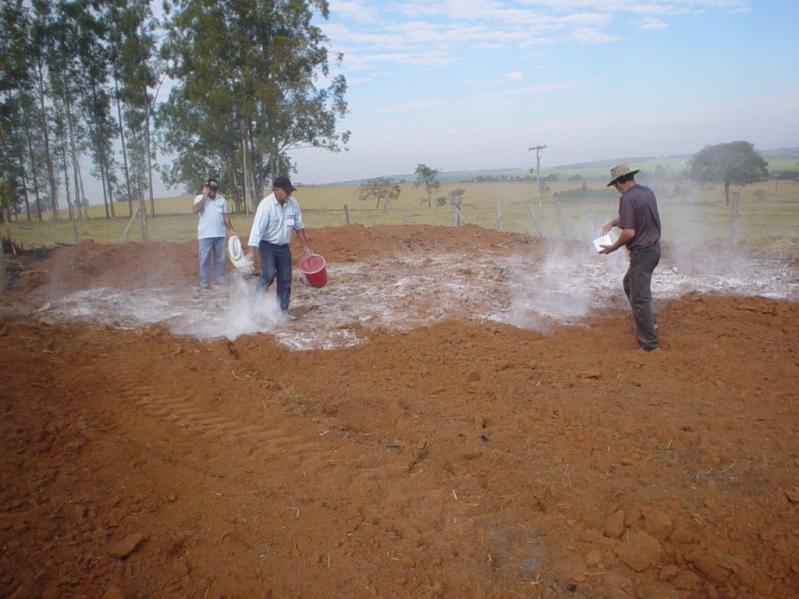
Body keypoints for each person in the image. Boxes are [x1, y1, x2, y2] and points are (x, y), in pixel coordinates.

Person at [599, 164, 662, 351]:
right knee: (630, 284)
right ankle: (648, 321)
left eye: (615, 186)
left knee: (639, 298)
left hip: (642, 253)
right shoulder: (646, 192)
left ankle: (649, 343)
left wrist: (612, 247)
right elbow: (636, 216)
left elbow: (629, 232)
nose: (616, 189)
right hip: (654, 249)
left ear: (619, 182)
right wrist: (613, 221)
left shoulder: (626, 198)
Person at [247, 175, 313, 319]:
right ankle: (254, 307)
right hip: (267, 246)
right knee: (269, 275)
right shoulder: (266, 205)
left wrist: (306, 248)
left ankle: (282, 311)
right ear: (276, 190)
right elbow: (256, 229)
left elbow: (299, 227)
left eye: (289, 191)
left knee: (285, 278)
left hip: (283, 247)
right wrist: (251, 252)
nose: (288, 194)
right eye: (286, 191)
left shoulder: (293, 204)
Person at [192, 176, 235, 289]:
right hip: (205, 235)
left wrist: (230, 230)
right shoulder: (199, 198)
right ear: (206, 188)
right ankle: (204, 282)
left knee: (220, 259)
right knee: (204, 259)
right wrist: (205, 197)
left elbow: (225, 217)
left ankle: (220, 280)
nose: (213, 192)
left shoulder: (221, 200)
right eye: (210, 189)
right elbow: (196, 209)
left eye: (214, 189)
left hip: (220, 234)